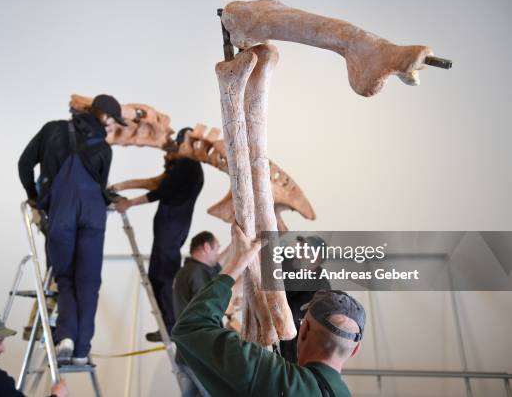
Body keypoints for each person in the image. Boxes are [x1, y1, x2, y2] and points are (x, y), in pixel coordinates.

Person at [171, 225, 365, 397]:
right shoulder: (341, 392)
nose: (299, 252)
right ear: (355, 350)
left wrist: (238, 262)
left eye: (305, 250)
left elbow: (191, 326)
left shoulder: (269, 376)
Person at [18, 94, 126, 364]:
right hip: (93, 216)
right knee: (88, 282)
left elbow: (24, 164)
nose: (112, 127)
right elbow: (100, 186)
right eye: (112, 121)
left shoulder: (52, 129)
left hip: (61, 214)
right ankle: (81, 350)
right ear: (104, 117)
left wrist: (33, 195)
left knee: (64, 276)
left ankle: (65, 336)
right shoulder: (104, 148)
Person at [112, 127, 204, 341]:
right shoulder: (186, 167)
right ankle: (167, 324)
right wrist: (123, 187)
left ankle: (171, 325)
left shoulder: (187, 164)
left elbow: (161, 190)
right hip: (171, 226)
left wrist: (130, 203)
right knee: (157, 274)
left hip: (171, 227)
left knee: (162, 275)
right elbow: (162, 185)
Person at [172, 231, 221, 397]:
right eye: (217, 249)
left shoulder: (187, 271)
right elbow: (209, 306)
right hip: (198, 356)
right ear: (207, 247)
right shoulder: (196, 273)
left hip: (186, 355)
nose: (218, 254)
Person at [280, 235, 332, 363]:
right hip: (285, 343)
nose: (298, 253)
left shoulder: (321, 287)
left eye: (304, 250)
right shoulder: (294, 271)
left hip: (301, 350)